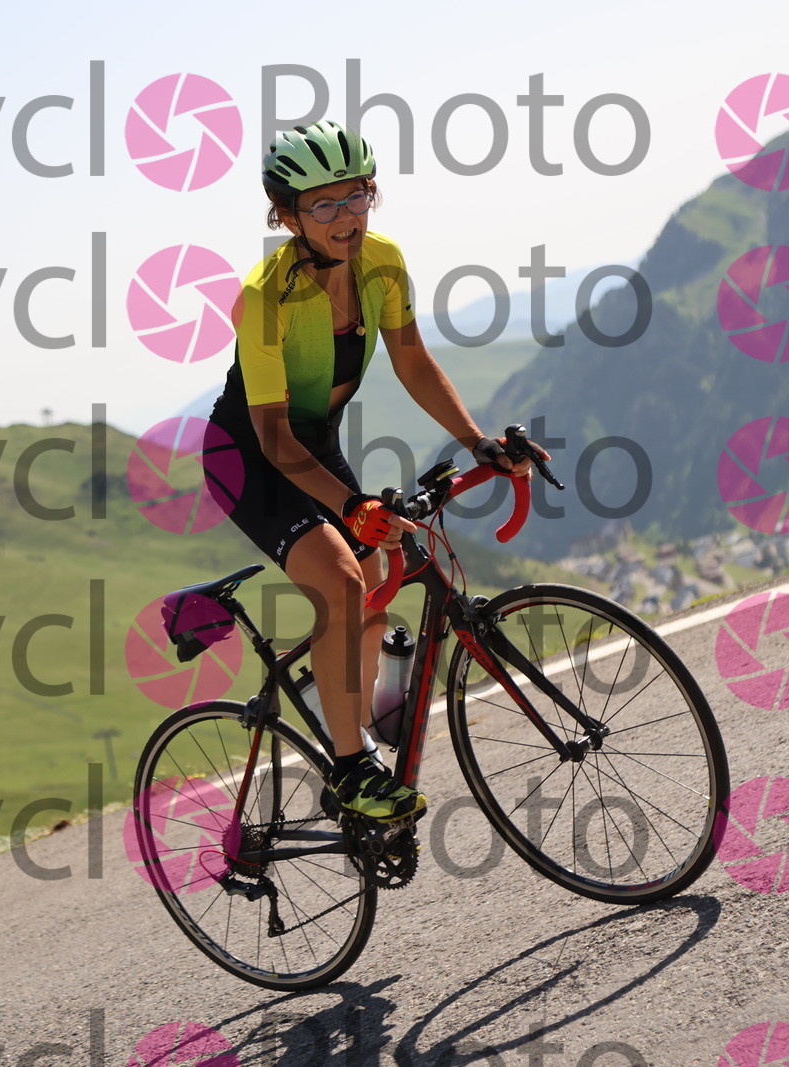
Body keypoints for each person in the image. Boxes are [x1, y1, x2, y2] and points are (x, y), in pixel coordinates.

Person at [203, 120, 545, 823]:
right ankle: (351, 770)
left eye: (356, 195)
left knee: (377, 582)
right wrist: (352, 505)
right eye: (323, 205)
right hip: (250, 456)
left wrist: (477, 442)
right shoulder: (262, 298)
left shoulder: (381, 261)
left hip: (315, 443)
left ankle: (342, 717)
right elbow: (273, 437)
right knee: (341, 579)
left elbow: (411, 360)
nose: (347, 216)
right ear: (288, 216)